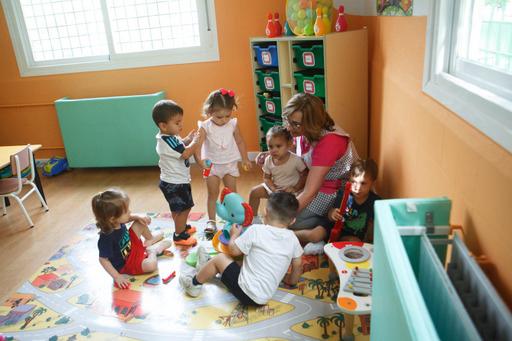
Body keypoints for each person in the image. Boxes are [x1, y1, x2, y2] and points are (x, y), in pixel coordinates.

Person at [179, 192, 303, 306]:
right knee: (243, 260)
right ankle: (207, 266)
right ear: (292, 221)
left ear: (265, 212)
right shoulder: (293, 239)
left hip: (246, 293)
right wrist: (291, 281)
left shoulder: (256, 230)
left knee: (221, 258)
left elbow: (233, 250)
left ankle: (194, 284)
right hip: (264, 297)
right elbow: (298, 265)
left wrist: (234, 235)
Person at [278, 93, 359, 249]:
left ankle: (320, 230)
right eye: (287, 119)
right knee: (282, 203)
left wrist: (282, 219)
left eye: (295, 124)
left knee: (291, 221)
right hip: (318, 182)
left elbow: (310, 191)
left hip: (337, 192)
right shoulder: (306, 132)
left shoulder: (329, 142)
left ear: (311, 124)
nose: (288, 127)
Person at [195, 88, 252, 233]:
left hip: (230, 164)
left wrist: (245, 158)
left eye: (227, 115)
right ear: (209, 112)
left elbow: (239, 141)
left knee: (232, 194)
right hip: (211, 166)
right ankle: (211, 221)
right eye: (219, 117)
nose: (224, 120)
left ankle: (233, 219)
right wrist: (200, 162)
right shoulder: (205, 127)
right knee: (212, 194)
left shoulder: (232, 124)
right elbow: (198, 146)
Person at [295, 159, 381, 253]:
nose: (357, 187)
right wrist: (332, 214)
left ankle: (325, 245)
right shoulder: (344, 194)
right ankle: (289, 234)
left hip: (351, 235)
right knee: (314, 235)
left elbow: (377, 228)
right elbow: (330, 213)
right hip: (333, 227)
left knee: (355, 244)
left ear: (373, 182)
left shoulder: (376, 202)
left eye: (363, 183)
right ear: (349, 179)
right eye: (353, 182)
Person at [93, 188, 172, 289]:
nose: (130, 211)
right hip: (127, 264)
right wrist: (117, 277)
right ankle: (153, 251)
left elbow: (129, 218)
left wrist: (138, 217)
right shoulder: (106, 237)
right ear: (112, 218)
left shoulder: (116, 221)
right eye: (126, 211)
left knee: (140, 222)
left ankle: (150, 239)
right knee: (151, 265)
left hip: (131, 246)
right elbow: (103, 259)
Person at [152, 99, 200, 246]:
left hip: (173, 181)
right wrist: (196, 141)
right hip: (175, 183)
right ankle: (179, 235)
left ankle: (181, 227)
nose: (181, 125)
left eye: (181, 121)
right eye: (177, 123)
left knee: (177, 208)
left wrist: (187, 139)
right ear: (163, 125)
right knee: (185, 208)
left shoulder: (169, 137)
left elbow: (180, 145)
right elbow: (185, 154)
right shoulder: (168, 141)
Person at [249, 126, 307, 221]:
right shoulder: (268, 160)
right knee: (254, 192)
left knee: (278, 212)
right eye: (270, 146)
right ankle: (252, 219)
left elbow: (305, 174)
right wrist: (273, 188)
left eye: (278, 146)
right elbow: (266, 177)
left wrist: (295, 188)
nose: (274, 150)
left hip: (291, 192)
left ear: (289, 144)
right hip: (275, 189)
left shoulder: (295, 160)